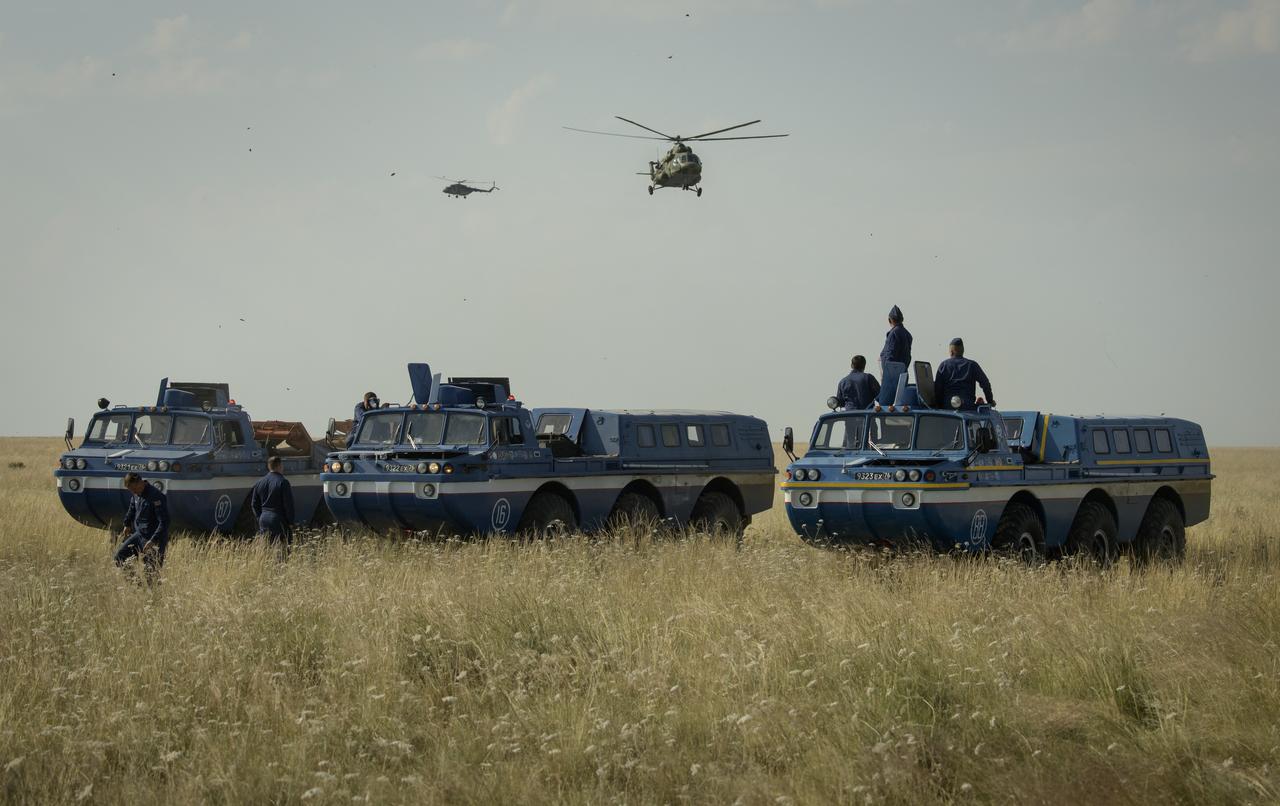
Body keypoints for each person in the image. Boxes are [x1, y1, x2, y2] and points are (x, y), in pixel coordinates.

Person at [114, 472, 169, 583]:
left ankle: (153, 597)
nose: (133, 492)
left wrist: (153, 540)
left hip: (153, 539)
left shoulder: (156, 496)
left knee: (151, 574)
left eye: (134, 489)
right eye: (131, 490)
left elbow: (164, 522)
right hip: (139, 535)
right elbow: (132, 507)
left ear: (140, 483)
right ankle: (137, 585)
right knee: (119, 557)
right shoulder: (136, 493)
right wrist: (127, 523)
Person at [933, 337, 995, 411]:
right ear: (963, 351)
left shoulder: (944, 365)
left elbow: (938, 388)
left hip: (948, 406)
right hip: (968, 406)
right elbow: (985, 384)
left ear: (951, 351)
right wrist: (990, 401)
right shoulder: (972, 365)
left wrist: (939, 406)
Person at [251, 456, 296, 551]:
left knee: (266, 549)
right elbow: (288, 504)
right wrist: (291, 521)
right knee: (283, 550)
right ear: (280, 466)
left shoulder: (259, 482)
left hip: (263, 519)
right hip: (278, 519)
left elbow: (254, 504)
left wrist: (260, 517)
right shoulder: (283, 482)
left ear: (269, 467)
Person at [877, 305, 913, 405]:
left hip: (892, 376)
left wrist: (886, 374)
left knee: (886, 406)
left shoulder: (894, 333)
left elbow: (890, 354)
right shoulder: (907, 334)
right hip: (902, 372)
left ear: (890, 320)